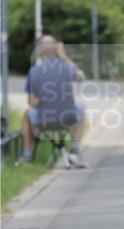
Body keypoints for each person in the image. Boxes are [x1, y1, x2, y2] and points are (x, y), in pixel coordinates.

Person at [22, 35, 87, 168]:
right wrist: (64, 56)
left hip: (43, 121)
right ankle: (75, 149)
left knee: (26, 114)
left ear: (39, 51)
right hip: (68, 120)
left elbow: (31, 103)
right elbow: (81, 76)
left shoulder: (33, 72)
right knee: (81, 109)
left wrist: (44, 99)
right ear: (57, 49)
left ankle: (27, 155)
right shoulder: (67, 68)